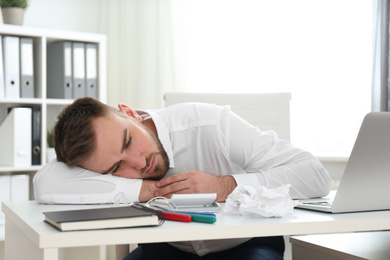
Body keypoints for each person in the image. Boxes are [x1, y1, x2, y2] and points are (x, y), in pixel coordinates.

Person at [33, 97, 332, 260]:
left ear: (130, 113)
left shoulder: (210, 123)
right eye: (115, 169)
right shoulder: (100, 160)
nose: (139, 163)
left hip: (244, 247)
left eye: (128, 142)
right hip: (163, 250)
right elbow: (45, 183)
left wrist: (223, 185)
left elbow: (315, 174)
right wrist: (145, 189)